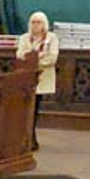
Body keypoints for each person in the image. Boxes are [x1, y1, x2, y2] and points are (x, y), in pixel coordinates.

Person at [16, 10, 59, 151]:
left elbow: (52, 58)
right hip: (26, 78)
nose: (35, 25)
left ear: (44, 24)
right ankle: (25, 138)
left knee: (34, 109)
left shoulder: (51, 38)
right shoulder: (24, 38)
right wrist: (37, 56)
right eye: (33, 22)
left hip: (42, 79)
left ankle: (32, 138)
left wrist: (35, 60)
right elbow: (20, 54)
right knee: (24, 110)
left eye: (38, 22)